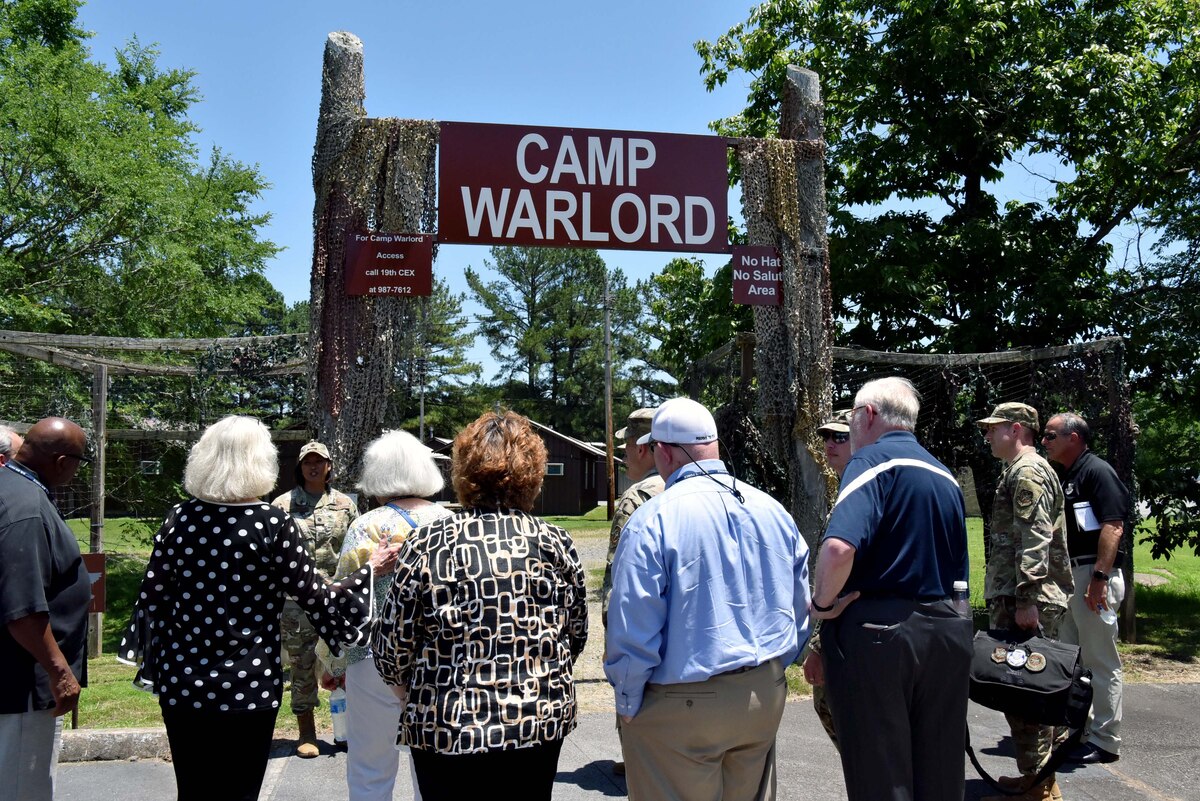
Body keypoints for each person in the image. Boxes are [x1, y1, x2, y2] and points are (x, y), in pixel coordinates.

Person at [118, 416, 399, 801]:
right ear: (260, 462)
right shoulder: (272, 523)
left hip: (182, 681)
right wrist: (369, 572)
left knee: (194, 791)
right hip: (247, 684)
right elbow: (317, 598)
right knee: (240, 791)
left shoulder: (179, 519)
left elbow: (153, 600)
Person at [371, 411, 588, 801]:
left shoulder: (428, 542)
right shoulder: (554, 541)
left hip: (447, 723)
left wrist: (407, 691)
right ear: (533, 474)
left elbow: (392, 645)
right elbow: (575, 634)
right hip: (535, 721)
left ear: (463, 472)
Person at [604, 397, 811, 801]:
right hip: (761, 693)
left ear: (664, 452)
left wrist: (627, 698)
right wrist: (773, 668)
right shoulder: (772, 510)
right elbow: (799, 603)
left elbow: (633, 620)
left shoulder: (652, 519)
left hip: (682, 702)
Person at [812, 377, 972, 801]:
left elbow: (839, 548)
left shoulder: (869, 462)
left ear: (867, 415)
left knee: (881, 775)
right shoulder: (944, 475)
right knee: (940, 774)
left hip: (879, 636)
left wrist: (821, 604)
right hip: (947, 632)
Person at [317, 430, 451, 801]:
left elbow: (342, 600)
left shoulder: (366, 526)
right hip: (437, 660)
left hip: (372, 658)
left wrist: (332, 664)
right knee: (434, 770)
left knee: (369, 769)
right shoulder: (450, 523)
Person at [978, 403, 1073, 801]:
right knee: (1029, 692)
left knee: (1026, 693)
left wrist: (1026, 598)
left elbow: (1034, 538)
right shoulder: (1021, 469)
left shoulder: (1028, 471)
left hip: (1027, 599)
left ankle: (1039, 788)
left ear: (1016, 429)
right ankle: (1038, 778)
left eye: (993, 428)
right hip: (1023, 596)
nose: (987, 435)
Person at [0, 418, 92, 801]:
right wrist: (60, 673)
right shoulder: (27, 508)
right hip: (23, 684)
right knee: (22, 789)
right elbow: (22, 609)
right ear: (61, 461)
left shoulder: (11, 488)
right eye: (79, 462)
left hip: (16, 680)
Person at [1042, 412, 1128, 765]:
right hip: (1072, 576)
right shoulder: (1069, 474)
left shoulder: (1097, 471)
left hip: (1093, 575)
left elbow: (1113, 526)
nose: (1044, 441)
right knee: (1074, 660)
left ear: (1073, 437)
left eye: (1050, 436)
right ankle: (1080, 730)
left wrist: (1099, 579)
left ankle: (1106, 741)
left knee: (1100, 660)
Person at [271, 440, 358, 757]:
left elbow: (355, 548)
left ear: (329, 466)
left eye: (319, 461)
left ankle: (347, 730)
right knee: (302, 665)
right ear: (300, 466)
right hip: (297, 601)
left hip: (336, 598)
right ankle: (306, 732)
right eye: (308, 462)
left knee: (344, 664)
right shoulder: (282, 505)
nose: (313, 467)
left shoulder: (345, 505)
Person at [599, 406, 664, 777]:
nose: (623, 456)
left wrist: (613, 638)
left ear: (642, 448)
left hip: (643, 628)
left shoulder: (637, 497)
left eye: (625, 447)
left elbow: (619, 579)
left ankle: (639, 764)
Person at [802, 408, 853, 750]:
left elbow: (844, 573)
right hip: (843, 631)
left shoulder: (860, 492)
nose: (829, 444)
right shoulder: (847, 488)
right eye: (826, 437)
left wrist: (819, 644)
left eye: (840, 437)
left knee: (840, 715)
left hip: (851, 636)